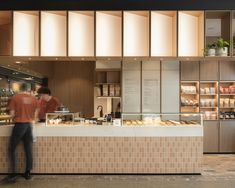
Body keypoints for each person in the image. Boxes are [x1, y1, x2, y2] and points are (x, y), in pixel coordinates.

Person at [7, 83, 39, 182]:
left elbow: (12, 114)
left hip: (20, 125)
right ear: (28, 89)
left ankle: (13, 173)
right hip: (29, 125)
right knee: (28, 149)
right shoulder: (34, 99)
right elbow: (37, 111)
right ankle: (28, 172)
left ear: (20, 89)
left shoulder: (15, 98)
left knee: (11, 149)